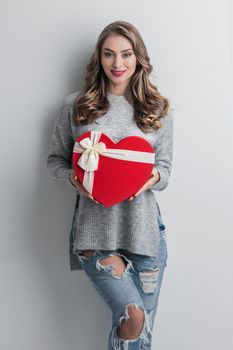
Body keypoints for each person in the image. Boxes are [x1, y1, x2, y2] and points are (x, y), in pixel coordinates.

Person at [46, 20, 173, 350]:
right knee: (133, 318)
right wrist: (74, 179)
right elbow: (55, 161)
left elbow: (165, 168)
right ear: (99, 59)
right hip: (95, 235)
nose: (118, 64)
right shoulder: (75, 106)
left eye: (126, 54)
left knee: (143, 329)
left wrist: (151, 179)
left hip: (146, 232)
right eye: (109, 54)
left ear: (138, 58)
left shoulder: (158, 108)